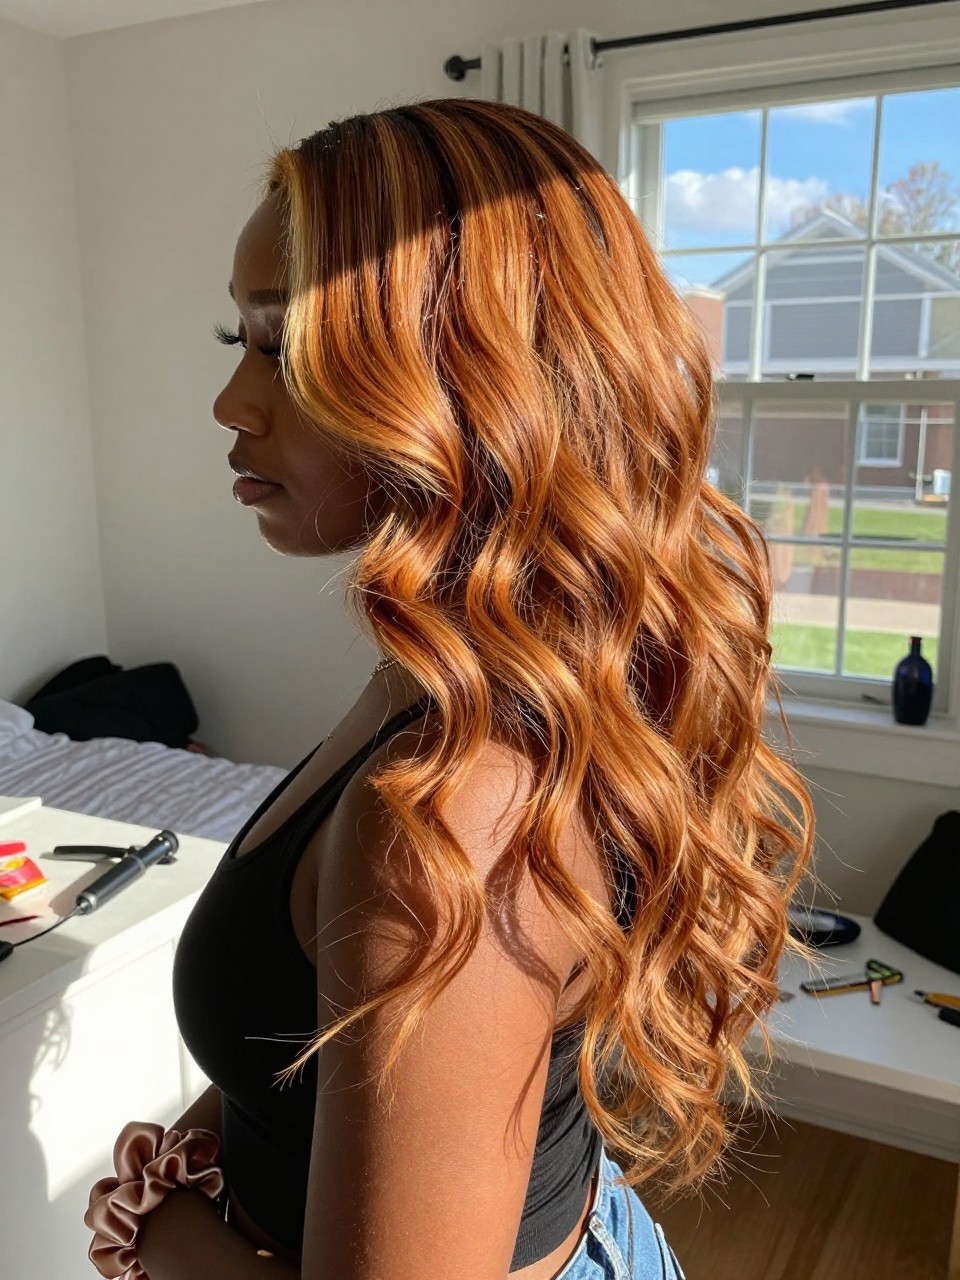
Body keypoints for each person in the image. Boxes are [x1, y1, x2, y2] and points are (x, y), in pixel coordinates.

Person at [108, 99, 815, 1280]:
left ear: (469, 373)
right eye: (234, 338)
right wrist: (205, 1142)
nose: (232, 403)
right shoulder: (470, 669)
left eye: (285, 345)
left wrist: (152, 1230)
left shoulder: (453, 809)